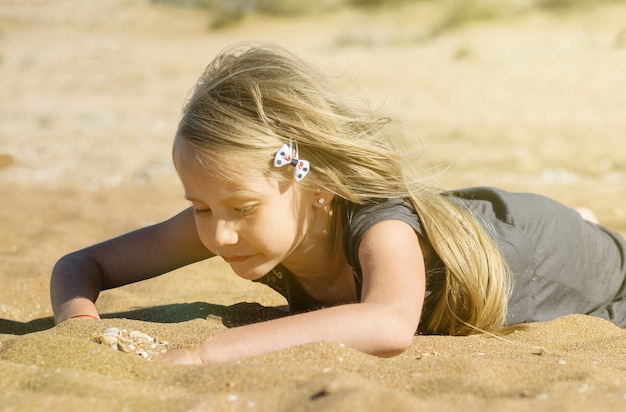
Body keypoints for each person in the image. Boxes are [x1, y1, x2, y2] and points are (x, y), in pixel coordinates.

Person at [50, 42, 626, 365]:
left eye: (242, 209)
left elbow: (389, 323)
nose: (219, 234)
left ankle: (585, 225)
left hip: (545, 251)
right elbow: (81, 266)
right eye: (200, 208)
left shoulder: (378, 227)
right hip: (466, 220)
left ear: (314, 183)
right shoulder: (239, 210)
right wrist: (80, 325)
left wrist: (208, 355)